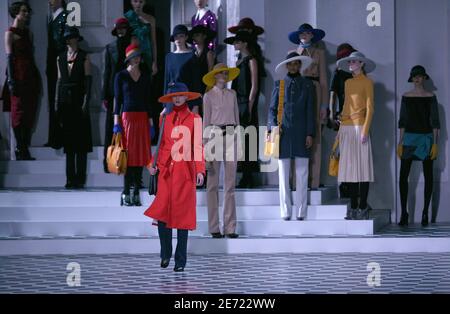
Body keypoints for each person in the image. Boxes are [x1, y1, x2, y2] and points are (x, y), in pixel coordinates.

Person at [145, 82, 205, 272]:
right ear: (171, 98)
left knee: (183, 219)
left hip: (185, 173)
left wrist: (200, 170)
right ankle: (165, 254)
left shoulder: (195, 118)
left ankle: (180, 260)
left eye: (181, 95)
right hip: (165, 172)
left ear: (187, 97)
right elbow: (161, 145)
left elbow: (198, 147)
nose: (177, 98)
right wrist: (151, 165)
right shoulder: (166, 118)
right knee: (162, 214)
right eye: (174, 96)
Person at [268, 52, 315, 220]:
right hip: (284, 134)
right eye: (291, 64)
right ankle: (285, 211)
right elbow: (272, 110)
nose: (294, 67)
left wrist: (310, 133)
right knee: (283, 175)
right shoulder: (279, 84)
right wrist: (273, 127)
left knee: (302, 174)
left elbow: (311, 111)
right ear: (287, 66)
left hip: (302, 133)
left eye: (296, 64)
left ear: (299, 65)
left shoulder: (308, 85)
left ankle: (301, 212)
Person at [397, 65, 440, 227]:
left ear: (424, 78)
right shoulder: (406, 96)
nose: (417, 79)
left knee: (429, 176)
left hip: (426, 139)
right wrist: (400, 142)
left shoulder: (431, 96)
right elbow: (403, 121)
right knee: (403, 177)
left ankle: (425, 213)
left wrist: (435, 143)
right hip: (409, 138)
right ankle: (404, 213)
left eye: (420, 76)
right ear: (412, 78)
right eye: (414, 76)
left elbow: (435, 122)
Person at [335, 51, 376, 220]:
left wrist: (365, 130)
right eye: (350, 61)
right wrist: (340, 131)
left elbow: (370, 108)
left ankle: (362, 205)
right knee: (350, 169)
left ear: (361, 63)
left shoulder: (367, 82)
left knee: (363, 168)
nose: (351, 64)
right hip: (346, 126)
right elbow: (346, 105)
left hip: (360, 127)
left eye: (354, 61)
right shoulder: (348, 82)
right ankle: (352, 206)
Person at [202, 63, 241, 238]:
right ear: (215, 76)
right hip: (214, 136)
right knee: (212, 185)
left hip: (232, 135)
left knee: (230, 184)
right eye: (221, 73)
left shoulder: (232, 95)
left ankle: (230, 227)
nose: (224, 76)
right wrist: (205, 147)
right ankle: (214, 227)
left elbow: (237, 119)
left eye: (226, 73)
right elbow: (206, 122)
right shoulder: (208, 96)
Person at [114, 44, 153, 206]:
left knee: (140, 155)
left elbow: (148, 99)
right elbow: (117, 100)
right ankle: (125, 191)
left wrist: (151, 122)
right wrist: (116, 122)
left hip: (142, 118)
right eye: (134, 56)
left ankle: (136, 190)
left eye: (138, 56)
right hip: (127, 118)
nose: (137, 59)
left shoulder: (145, 76)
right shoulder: (121, 76)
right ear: (128, 59)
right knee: (127, 155)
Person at [290, 23, 328, 190]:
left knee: (315, 135)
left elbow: (324, 81)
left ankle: (313, 180)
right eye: (302, 33)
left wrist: (324, 105)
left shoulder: (319, 53)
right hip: (297, 90)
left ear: (312, 35)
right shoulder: (292, 54)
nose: (304, 35)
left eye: (307, 33)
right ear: (298, 36)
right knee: (296, 133)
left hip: (315, 90)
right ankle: (295, 181)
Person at [225, 30, 264, 188]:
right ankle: (243, 174)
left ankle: (248, 176)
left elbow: (254, 86)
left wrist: (249, 104)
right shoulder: (239, 61)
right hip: (237, 102)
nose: (235, 44)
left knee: (248, 137)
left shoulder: (251, 60)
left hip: (246, 103)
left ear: (244, 43)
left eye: (237, 42)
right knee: (239, 139)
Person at [56, 27, 93, 189]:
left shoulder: (85, 57)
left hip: (79, 100)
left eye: (72, 38)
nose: (69, 41)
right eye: (67, 38)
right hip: (65, 101)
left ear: (77, 39)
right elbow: (58, 81)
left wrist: (86, 102)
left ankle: (80, 178)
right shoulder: (61, 58)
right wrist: (57, 101)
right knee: (69, 143)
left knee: (81, 143)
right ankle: (70, 179)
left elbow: (88, 82)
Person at [3, 2, 40, 161]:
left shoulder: (29, 33)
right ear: (16, 13)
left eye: (27, 11)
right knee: (17, 112)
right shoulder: (9, 33)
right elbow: (9, 58)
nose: (27, 14)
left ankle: (24, 148)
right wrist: (11, 81)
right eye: (24, 11)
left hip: (30, 75)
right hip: (17, 76)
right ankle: (20, 148)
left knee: (30, 112)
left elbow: (31, 57)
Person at [101, 18, 132, 173]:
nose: (121, 31)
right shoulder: (110, 48)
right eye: (119, 28)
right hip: (114, 91)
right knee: (110, 127)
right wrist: (104, 95)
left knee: (128, 126)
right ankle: (109, 161)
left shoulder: (133, 47)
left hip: (129, 90)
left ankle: (128, 161)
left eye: (123, 28)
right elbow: (106, 73)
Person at [328, 43, 356, 199]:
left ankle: (353, 192)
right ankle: (345, 188)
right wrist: (332, 115)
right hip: (343, 117)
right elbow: (333, 95)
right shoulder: (338, 74)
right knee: (343, 154)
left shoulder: (356, 73)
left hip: (356, 118)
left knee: (354, 155)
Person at [179, 25, 216, 115]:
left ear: (204, 36)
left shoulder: (209, 53)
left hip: (205, 89)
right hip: (194, 89)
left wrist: (207, 92)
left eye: (198, 35)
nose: (195, 38)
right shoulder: (193, 54)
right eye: (194, 35)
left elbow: (210, 74)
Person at [46, 0, 68, 149]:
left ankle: (60, 138)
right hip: (52, 63)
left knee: (60, 99)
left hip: (60, 61)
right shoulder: (52, 17)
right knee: (53, 99)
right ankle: (54, 138)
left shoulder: (65, 16)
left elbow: (64, 40)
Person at [163, 25, 195, 113]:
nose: (178, 39)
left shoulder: (192, 56)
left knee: (187, 126)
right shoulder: (169, 57)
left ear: (186, 37)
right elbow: (166, 80)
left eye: (181, 36)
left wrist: (196, 104)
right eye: (176, 36)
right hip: (172, 98)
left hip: (187, 98)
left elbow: (195, 81)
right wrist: (165, 105)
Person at [125, 0, 158, 75]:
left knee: (146, 80)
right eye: (135, 1)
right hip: (132, 53)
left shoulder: (151, 19)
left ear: (144, 2)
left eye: (141, 1)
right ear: (131, 2)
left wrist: (154, 62)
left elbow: (153, 42)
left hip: (147, 53)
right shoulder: (127, 17)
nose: (138, 4)